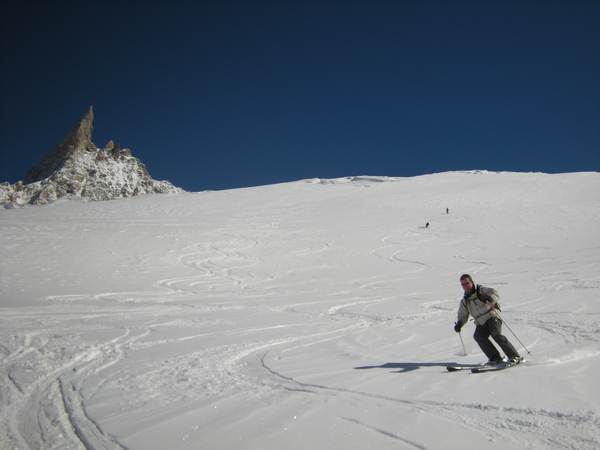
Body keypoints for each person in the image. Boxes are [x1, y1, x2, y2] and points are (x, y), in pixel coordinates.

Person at [454, 274, 521, 365]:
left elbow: (494, 293)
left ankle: (514, 356)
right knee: (478, 336)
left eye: (467, 283)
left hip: (491, 316)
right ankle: (495, 358)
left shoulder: (481, 290)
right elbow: (463, 314)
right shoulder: (465, 301)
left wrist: (490, 299)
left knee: (496, 334)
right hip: (480, 322)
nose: (465, 286)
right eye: (463, 284)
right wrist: (460, 323)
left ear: (472, 282)